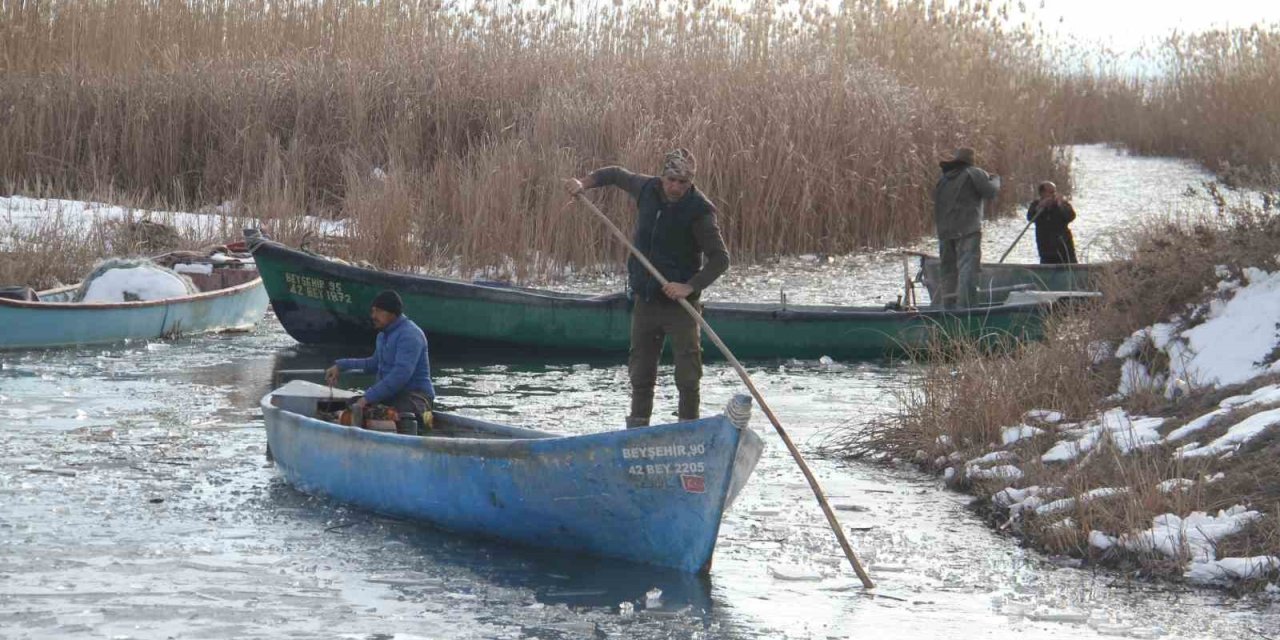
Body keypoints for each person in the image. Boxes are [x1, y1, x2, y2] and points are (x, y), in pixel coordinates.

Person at [565, 149, 730, 428]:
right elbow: (615, 174)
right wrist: (584, 183)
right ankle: (638, 429)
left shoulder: (700, 211)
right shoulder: (647, 188)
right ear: (662, 176)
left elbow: (721, 259)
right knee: (641, 373)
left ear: (691, 183)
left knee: (688, 377)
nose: (675, 187)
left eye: (683, 182)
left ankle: (688, 430)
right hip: (646, 300)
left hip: (680, 306)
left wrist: (688, 286)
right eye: (671, 180)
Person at [324, 290, 435, 431]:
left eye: (378, 311)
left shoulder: (410, 335)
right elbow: (373, 364)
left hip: (417, 399)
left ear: (392, 313)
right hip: (393, 396)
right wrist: (340, 366)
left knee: (398, 415)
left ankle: (421, 430)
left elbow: (400, 376)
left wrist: (367, 398)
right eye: (372, 311)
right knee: (350, 404)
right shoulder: (383, 335)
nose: (373, 316)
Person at [932, 147, 1000, 308]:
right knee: (967, 269)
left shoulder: (944, 179)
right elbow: (990, 192)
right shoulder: (974, 172)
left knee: (948, 270)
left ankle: (947, 307)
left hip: (945, 232)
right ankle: (967, 308)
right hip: (968, 230)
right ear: (971, 160)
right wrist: (996, 179)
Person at [1026, 180, 1078, 264]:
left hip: (1064, 248)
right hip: (1046, 249)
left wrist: (1060, 205)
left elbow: (1071, 216)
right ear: (1042, 193)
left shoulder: (1062, 204)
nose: (1054, 195)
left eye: (1054, 192)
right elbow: (1030, 218)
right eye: (1051, 192)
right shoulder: (1036, 204)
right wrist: (1039, 207)